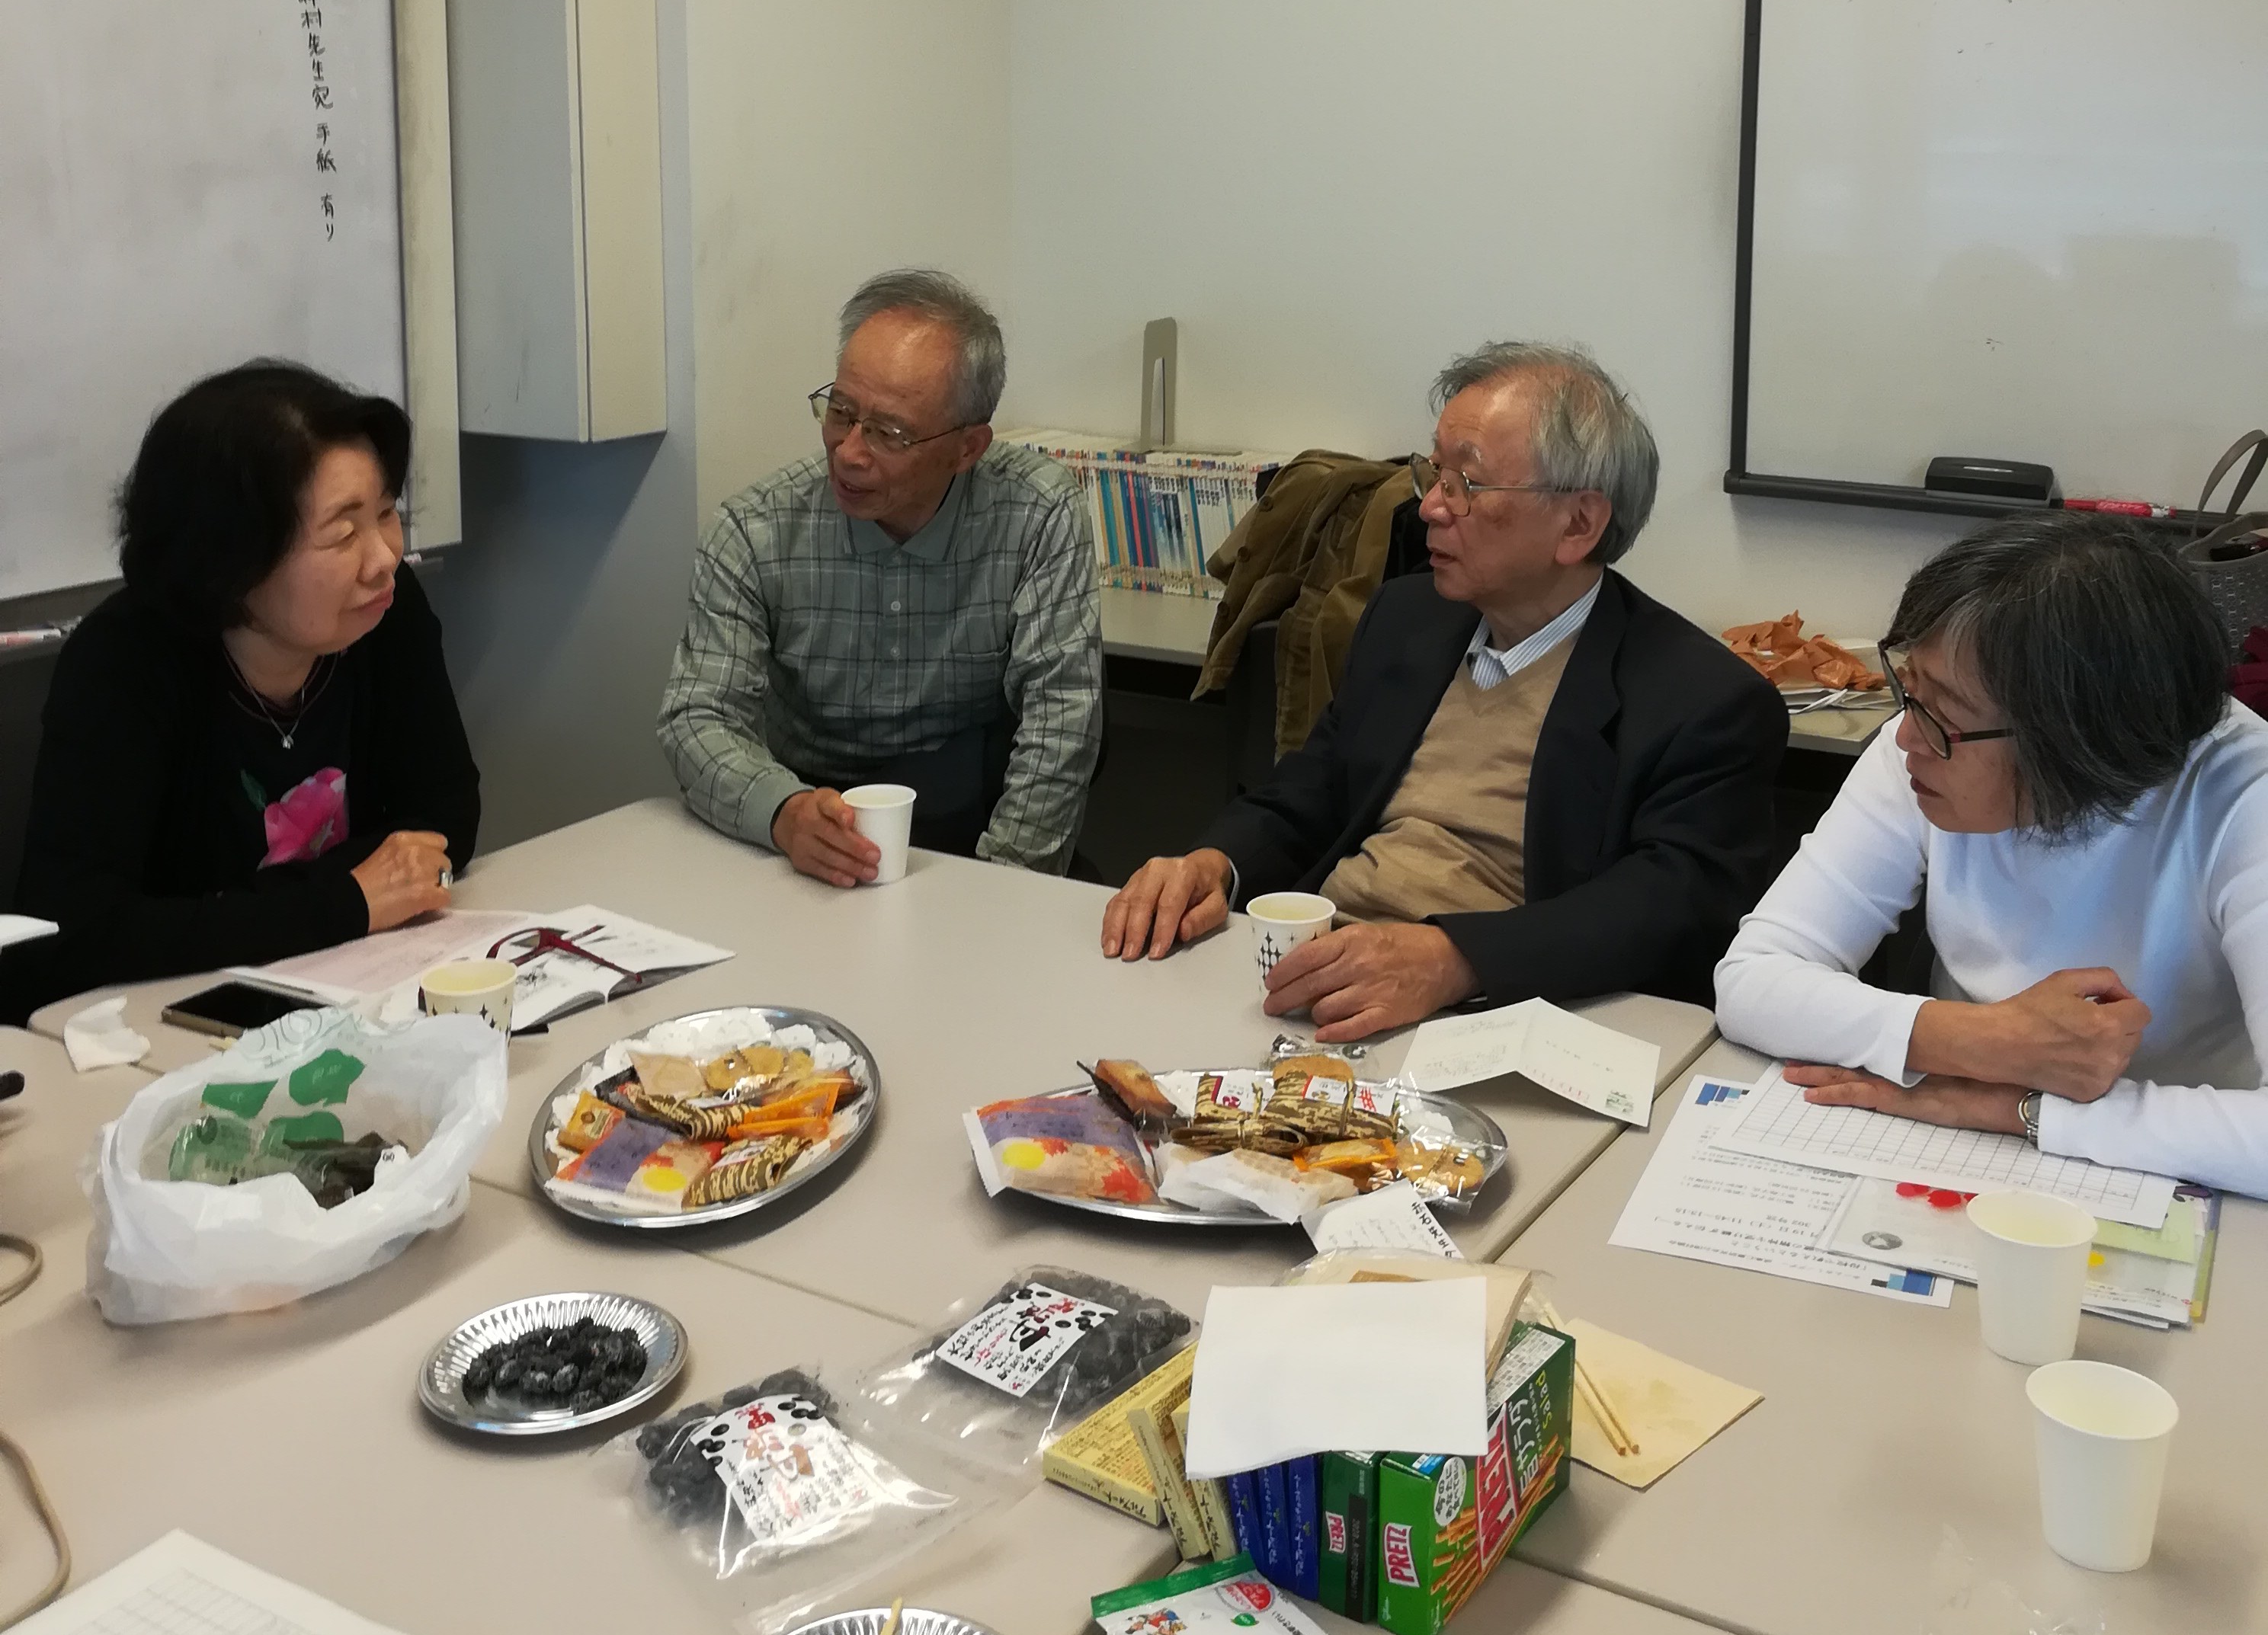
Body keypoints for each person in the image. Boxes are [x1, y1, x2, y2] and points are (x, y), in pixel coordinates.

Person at [1101, 342, 1789, 1038]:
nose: (1430, 506)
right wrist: (1215, 863)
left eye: (1467, 483)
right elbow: (1315, 788)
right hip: (1324, 975)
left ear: (1579, 524)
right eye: (1434, 472)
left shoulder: (1700, 698)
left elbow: (1669, 909)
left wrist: (1456, 959)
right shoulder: (1409, 619)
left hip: (1497, 1014)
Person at [1715, 513, 2268, 1198]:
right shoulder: (1920, 746)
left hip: (2189, 1179)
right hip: (1955, 1141)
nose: (1904, 737)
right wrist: (1981, 1039)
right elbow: (1752, 980)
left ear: (2075, 741)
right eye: (1910, 689)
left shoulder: (2245, 794)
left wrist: (2021, 1109)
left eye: (1942, 713)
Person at [8, 361, 478, 1019]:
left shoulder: (381, 615)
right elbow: (74, 929)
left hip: (348, 989)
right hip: (157, 1025)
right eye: (344, 533)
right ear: (232, 561)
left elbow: (446, 814)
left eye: (386, 513)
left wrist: (265, 914)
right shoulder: (123, 663)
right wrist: (345, 900)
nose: (383, 559)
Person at [659, 269, 1102, 881]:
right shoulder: (754, 531)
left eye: (889, 433)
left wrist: (1004, 882)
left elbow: (1062, 721)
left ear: (968, 448)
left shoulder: (1037, 514)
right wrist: (781, 812)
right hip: (809, 811)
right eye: (840, 411)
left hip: (971, 813)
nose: (849, 452)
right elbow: (698, 716)